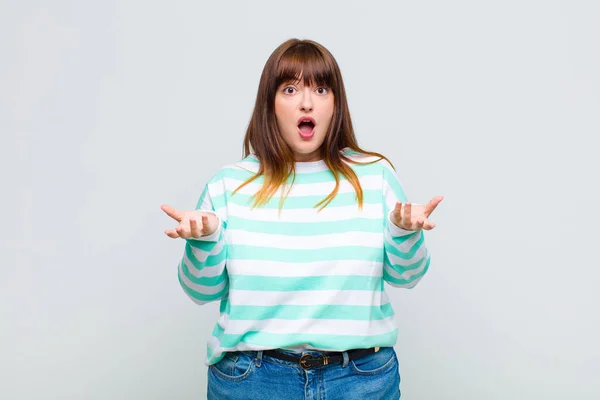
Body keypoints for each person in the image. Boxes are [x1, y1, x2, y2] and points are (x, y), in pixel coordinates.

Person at [161, 38, 443, 399]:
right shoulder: (229, 184)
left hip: (360, 380)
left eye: (321, 89)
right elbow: (200, 291)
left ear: (336, 103)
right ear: (270, 104)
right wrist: (205, 241)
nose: (306, 102)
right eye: (290, 89)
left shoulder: (375, 176)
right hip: (252, 382)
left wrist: (403, 233)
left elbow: (408, 276)